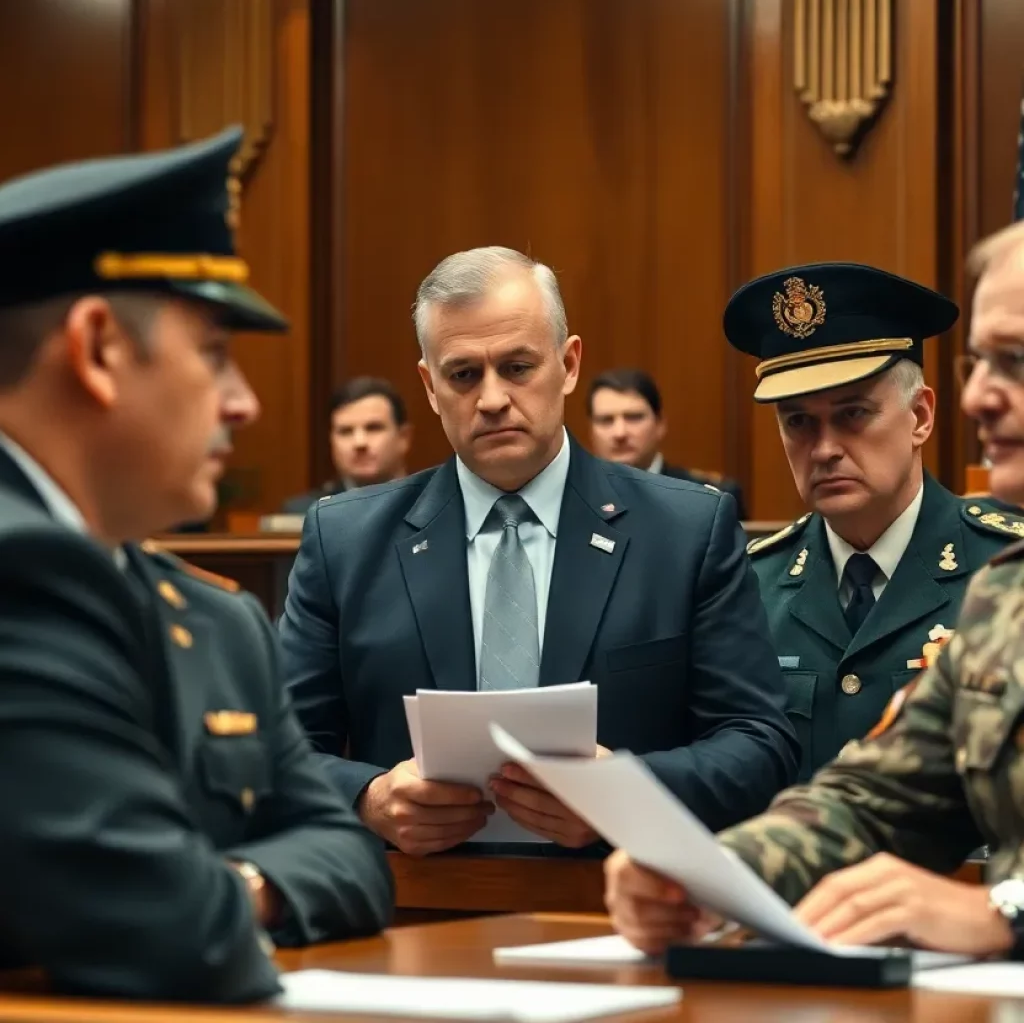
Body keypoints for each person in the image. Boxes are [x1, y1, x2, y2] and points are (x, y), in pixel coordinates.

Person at [0, 127, 393, 1001]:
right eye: (213, 353)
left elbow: (351, 853)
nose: (244, 402)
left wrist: (229, 886)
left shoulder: (203, 611)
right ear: (98, 347)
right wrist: (237, 890)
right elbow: (168, 930)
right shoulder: (21, 566)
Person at [279, 245, 797, 858]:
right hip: (415, 911)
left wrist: (624, 794)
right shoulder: (346, 542)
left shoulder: (686, 531)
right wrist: (366, 796)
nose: (492, 398)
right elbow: (277, 751)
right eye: (464, 374)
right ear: (429, 385)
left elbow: (761, 744)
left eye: (518, 367)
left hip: (616, 907)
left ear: (568, 363)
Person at [604, 223, 1024, 959]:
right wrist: (712, 875)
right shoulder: (1005, 601)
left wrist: (1005, 914)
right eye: (981, 365)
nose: (980, 397)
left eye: (1015, 363)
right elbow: (868, 803)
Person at [720, 263, 1022, 780]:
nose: (826, 449)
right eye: (798, 422)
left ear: (921, 417)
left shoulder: (1003, 567)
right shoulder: (750, 585)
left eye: (853, 414)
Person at [587, 368, 746, 519]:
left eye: (633, 417)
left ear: (660, 424)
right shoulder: (574, 495)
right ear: (591, 430)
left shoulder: (711, 499)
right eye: (606, 420)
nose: (620, 433)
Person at [282, 376, 412, 514]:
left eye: (373, 428)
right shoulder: (304, 513)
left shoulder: (431, 507)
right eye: (345, 431)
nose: (359, 442)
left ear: (404, 437)